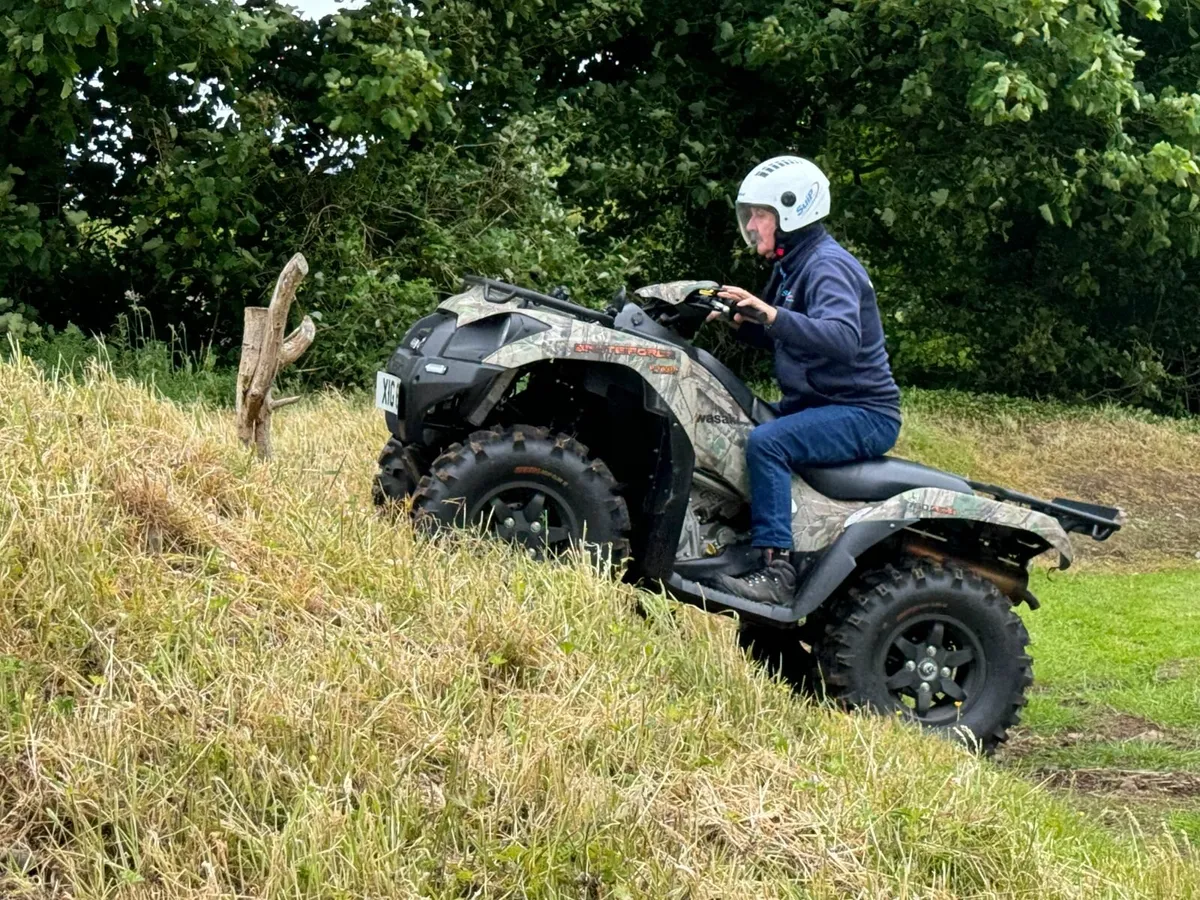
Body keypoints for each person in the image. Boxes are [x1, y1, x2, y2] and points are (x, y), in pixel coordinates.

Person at [706, 155, 902, 605]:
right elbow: (789, 335)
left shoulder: (827, 265)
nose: (752, 225)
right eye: (749, 214)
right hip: (820, 403)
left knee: (768, 442)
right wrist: (742, 322)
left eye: (761, 214)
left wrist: (771, 314)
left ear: (793, 212)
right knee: (737, 423)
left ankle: (776, 570)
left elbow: (842, 338)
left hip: (863, 412)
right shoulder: (792, 264)